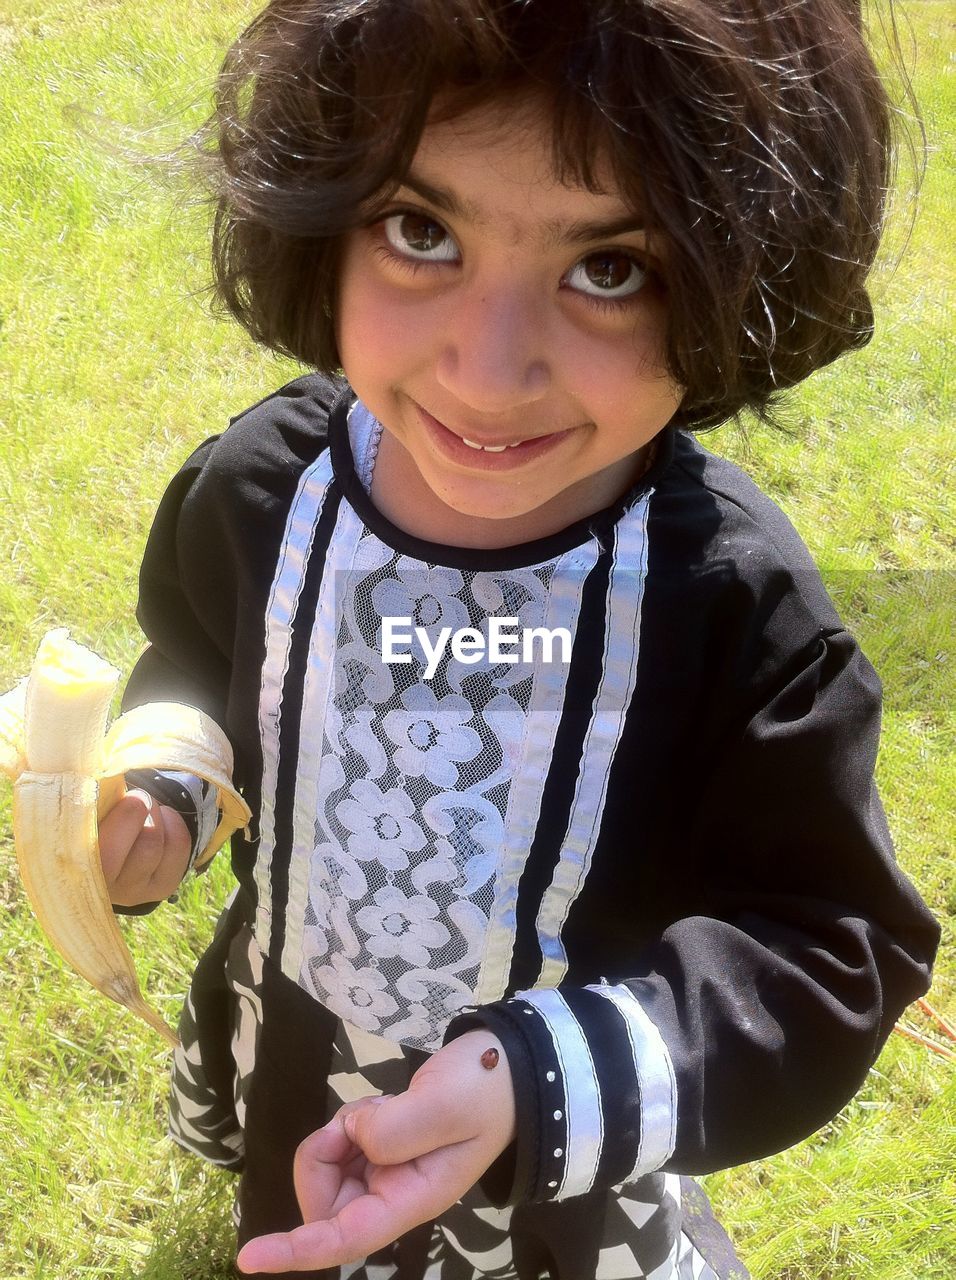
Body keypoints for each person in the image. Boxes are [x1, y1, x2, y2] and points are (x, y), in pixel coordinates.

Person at [98, 2, 940, 1277]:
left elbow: (825, 942)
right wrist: (159, 787)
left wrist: (531, 1079)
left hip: (560, 1141)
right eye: (419, 231)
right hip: (302, 1051)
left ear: (741, 271)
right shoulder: (264, 490)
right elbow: (196, 663)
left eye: (610, 269)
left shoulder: (721, 605)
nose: (489, 375)